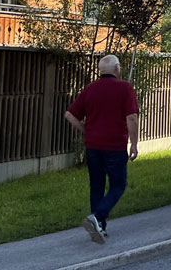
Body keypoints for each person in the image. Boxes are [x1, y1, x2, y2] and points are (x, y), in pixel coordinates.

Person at [64, 54, 139, 244]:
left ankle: (100, 227)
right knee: (118, 185)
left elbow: (70, 115)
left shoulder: (90, 88)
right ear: (117, 68)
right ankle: (97, 217)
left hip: (93, 146)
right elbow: (132, 117)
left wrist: (85, 130)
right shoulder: (124, 88)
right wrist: (134, 143)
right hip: (114, 146)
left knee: (96, 185)